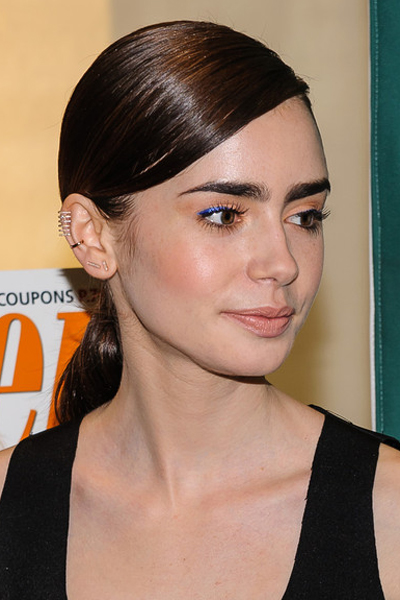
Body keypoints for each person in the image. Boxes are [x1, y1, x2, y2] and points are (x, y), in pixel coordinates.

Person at [0, 19, 399, 600]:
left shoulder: (390, 511)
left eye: (305, 216)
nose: (283, 263)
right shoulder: (9, 505)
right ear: (92, 235)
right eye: (224, 215)